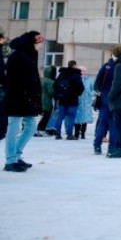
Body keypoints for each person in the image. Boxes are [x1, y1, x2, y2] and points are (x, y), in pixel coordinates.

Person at [3, 31, 44, 172]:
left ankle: (16, 154)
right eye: (39, 43)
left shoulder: (30, 55)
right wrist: (26, 94)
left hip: (28, 97)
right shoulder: (18, 56)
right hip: (17, 98)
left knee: (31, 127)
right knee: (13, 128)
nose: (41, 46)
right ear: (33, 42)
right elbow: (15, 80)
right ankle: (10, 160)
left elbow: (33, 78)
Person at [51, 62, 84, 140]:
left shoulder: (62, 73)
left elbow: (55, 85)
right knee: (71, 117)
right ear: (74, 65)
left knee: (60, 117)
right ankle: (69, 134)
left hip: (62, 99)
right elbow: (80, 87)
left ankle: (57, 133)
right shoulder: (76, 74)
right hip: (73, 99)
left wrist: (59, 94)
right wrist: (77, 94)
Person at [92, 55, 116, 154]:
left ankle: (97, 145)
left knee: (102, 124)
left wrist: (100, 92)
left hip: (104, 98)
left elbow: (96, 83)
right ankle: (112, 147)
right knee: (113, 125)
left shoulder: (106, 66)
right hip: (116, 100)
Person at [73, 66, 94, 140]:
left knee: (85, 119)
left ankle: (83, 134)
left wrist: (90, 94)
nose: (83, 73)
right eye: (81, 71)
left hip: (86, 102)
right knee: (77, 118)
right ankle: (76, 133)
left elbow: (93, 89)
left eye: (84, 71)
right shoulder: (76, 79)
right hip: (78, 101)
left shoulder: (89, 80)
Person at [39, 66, 56, 135]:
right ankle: (40, 128)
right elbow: (51, 92)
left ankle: (39, 129)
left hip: (39, 100)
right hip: (46, 101)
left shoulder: (41, 80)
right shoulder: (50, 82)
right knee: (46, 116)